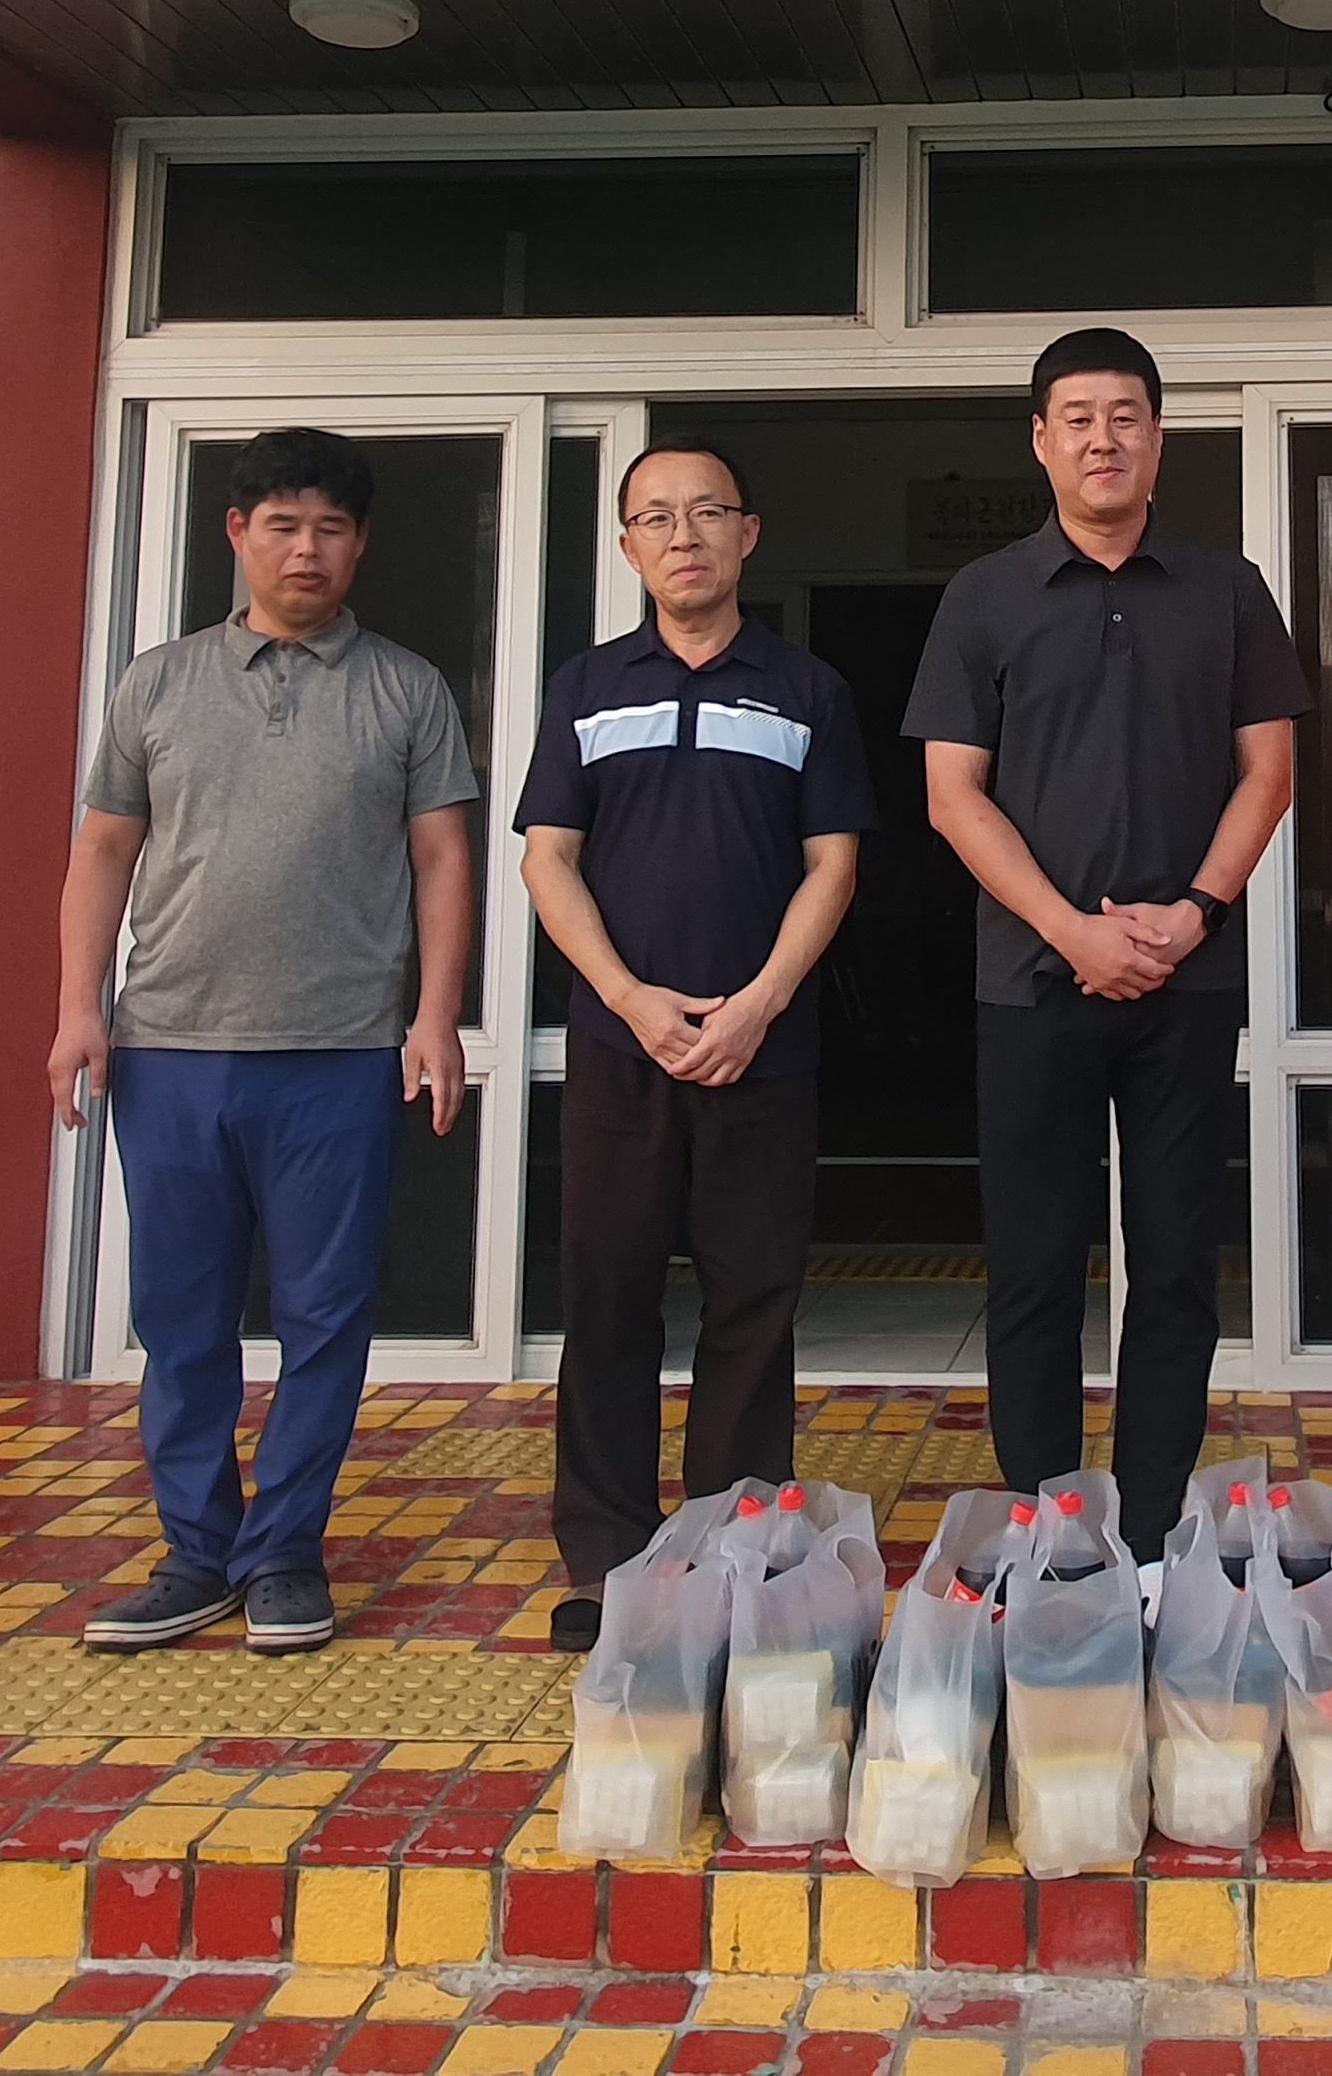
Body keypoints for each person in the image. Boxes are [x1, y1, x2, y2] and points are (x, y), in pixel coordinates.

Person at [50, 428, 479, 1656]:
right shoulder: (156, 685)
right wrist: (80, 1008)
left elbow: (443, 859)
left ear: (360, 544)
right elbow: (103, 849)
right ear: (237, 532)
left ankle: (285, 1551)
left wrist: (435, 1015)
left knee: (324, 1316)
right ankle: (195, 1552)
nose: (307, 550)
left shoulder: (406, 689)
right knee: (180, 1318)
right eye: (283, 525)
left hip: (339, 1053)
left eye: (331, 528)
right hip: (169, 1048)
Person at [906, 327, 1307, 1571]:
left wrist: (1196, 912)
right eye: (1076, 418)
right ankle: (1045, 1526)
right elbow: (951, 795)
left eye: (1125, 416)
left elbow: (1269, 770)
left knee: (1177, 1266)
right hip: (1032, 984)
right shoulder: (983, 596)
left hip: (1188, 980)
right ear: (1040, 441)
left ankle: (1147, 1526)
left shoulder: (1227, 587)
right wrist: (1071, 928)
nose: (1102, 439)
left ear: (1158, 438)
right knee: (1033, 1266)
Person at [519, 439, 874, 1652]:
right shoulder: (584, 688)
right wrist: (629, 999)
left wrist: (760, 1002)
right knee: (606, 1299)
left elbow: (834, 864)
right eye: (657, 517)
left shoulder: (807, 691)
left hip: (761, 1052)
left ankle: (735, 1551)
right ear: (626, 545)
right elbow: (547, 860)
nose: (684, 535)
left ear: (747, 534)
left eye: (708, 512)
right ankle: (605, 1560)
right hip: (622, 1052)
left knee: (752, 1306)